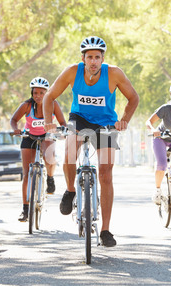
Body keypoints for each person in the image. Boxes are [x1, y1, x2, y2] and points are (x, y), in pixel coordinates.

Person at [43, 36, 139, 247]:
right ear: (83, 59)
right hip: (79, 119)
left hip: (106, 123)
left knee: (105, 174)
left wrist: (124, 121)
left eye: (97, 57)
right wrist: (48, 122)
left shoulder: (114, 73)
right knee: (69, 149)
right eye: (89, 57)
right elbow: (49, 97)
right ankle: (70, 190)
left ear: (103, 58)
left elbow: (133, 97)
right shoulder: (72, 72)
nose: (93, 61)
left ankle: (105, 230)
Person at [10, 77, 67, 222]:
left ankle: (50, 177)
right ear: (32, 93)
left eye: (42, 93)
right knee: (27, 174)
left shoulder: (53, 104)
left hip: (47, 135)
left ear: (47, 93)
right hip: (29, 137)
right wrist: (16, 129)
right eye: (35, 93)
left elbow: (62, 122)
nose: (38, 96)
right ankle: (25, 210)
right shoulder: (27, 106)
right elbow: (13, 119)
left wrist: (63, 131)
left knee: (49, 158)